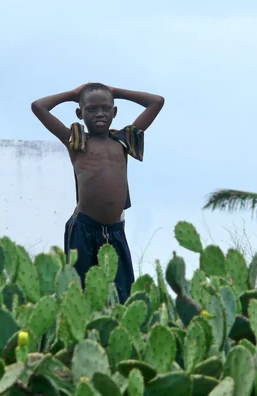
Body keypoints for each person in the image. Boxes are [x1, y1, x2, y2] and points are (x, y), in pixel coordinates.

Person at [31, 82, 164, 303]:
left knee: (123, 293)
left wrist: (117, 92)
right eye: (91, 109)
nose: (99, 114)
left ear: (114, 112)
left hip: (115, 230)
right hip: (83, 227)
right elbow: (39, 107)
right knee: (79, 292)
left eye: (105, 108)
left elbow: (156, 102)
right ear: (80, 113)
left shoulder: (123, 141)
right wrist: (73, 94)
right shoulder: (76, 141)